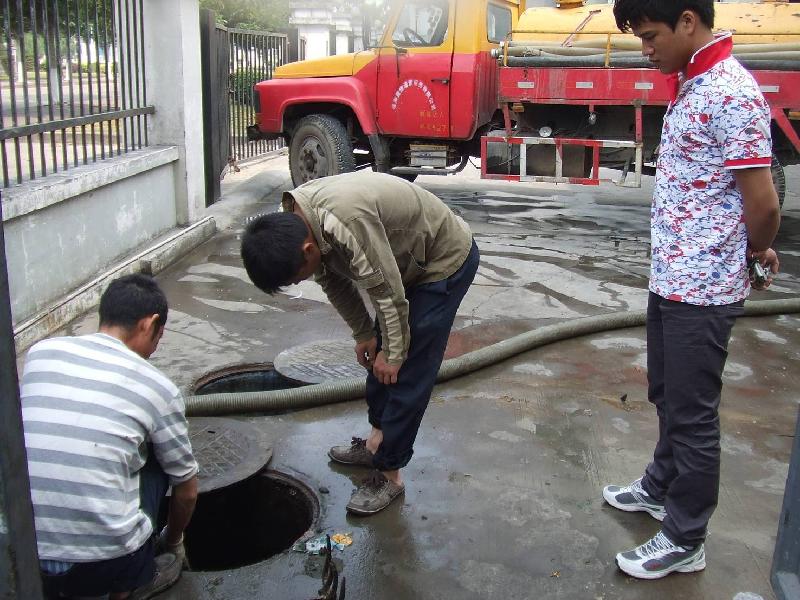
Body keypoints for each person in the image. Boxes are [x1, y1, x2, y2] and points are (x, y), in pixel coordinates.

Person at [603, 0, 781, 580]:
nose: (645, 48)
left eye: (650, 36)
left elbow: (763, 202)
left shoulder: (730, 90)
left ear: (687, 21)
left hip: (703, 288)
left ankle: (685, 536)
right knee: (667, 396)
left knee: (693, 415)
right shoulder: (694, 80)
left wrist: (753, 252)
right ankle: (661, 485)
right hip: (673, 276)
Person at [241, 171, 479, 516]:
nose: (302, 280)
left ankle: (390, 474)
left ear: (308, 250)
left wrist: (395, 354)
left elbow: (386, 292)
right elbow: (335, 283)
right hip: (403, 265)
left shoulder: (345, 221)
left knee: (407, 372)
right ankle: (375, 443)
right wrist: (364, 335)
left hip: (442, 263)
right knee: (378, 360)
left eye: (297, 277)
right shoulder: (300, 222)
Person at [22, 274, 199, 599]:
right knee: (162, 460)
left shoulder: (39, 354)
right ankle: (129, 587)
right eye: (159, 336)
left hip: (21, 556)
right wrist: (172, 542)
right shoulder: (157, 387)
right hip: (104, 568)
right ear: (150, 324)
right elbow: (187, 490)